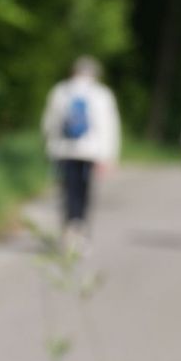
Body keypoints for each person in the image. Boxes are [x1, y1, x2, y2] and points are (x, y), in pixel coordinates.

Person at [41, 56, 121, 245]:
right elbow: (108, 127)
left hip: (63, 150)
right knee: (84, 190)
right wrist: (109, 156)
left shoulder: (60, 91)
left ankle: (69, 225)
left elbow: (49, 123)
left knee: (68, 189)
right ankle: (80, 226)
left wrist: (48, 146)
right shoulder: (101, 94)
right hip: (90, 152)